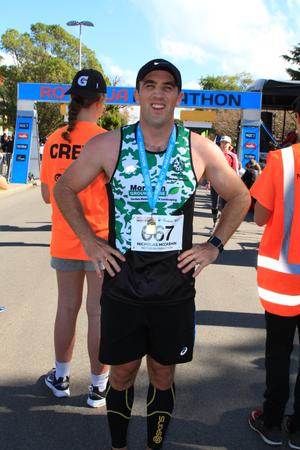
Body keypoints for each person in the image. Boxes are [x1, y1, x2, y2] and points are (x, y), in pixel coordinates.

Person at [54, 58, 250, 449]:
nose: (157, 94)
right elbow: (63, 189)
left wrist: (212, 246)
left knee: (163, 374)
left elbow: (240, 196)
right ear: (138, 93)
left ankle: (155, 445)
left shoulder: (200, 149)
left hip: (174, 287)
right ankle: (119, 445)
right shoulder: (110, 144)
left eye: (166, 86)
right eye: (149, 85)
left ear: (177, 96)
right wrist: (90, 241)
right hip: (123, 283)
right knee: (122, 373)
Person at [40, 69, 110, 408]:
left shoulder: (54, 139)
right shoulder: (109, 140)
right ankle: (98, 387)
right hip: (101, 241)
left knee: (66, 307)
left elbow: (46, 195)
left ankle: (62, 377)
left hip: (66, 238)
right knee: (98, 312)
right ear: (101, 102)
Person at [248, 96, 300, 449]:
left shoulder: (281, 160)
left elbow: (260, 217)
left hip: (283, 277)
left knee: (279, 351)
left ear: (297, 117)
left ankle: (270, 420)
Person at [210, 135, 239, 227]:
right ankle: (215, 222)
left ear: (229, 145)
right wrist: (208, 181)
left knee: (223, 206)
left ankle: (220, 226)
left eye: (226, 143)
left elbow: (235, 171)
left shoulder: (233, 156)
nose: (224, 144)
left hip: (226, 184)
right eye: (222, 142)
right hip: (215, 182)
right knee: (214, 205)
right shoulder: (215, 154)